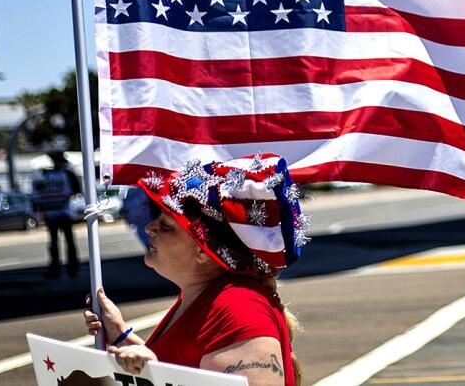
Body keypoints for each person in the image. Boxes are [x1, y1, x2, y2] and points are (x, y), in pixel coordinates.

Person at [83, 155, 309, 385]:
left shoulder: (240, 309)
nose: (150, 228)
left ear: (205, 251)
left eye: (166, 226)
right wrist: (120, 335)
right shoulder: (208, 297)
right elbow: (184, 365)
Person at [32, 149, 82, 278]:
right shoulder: (48, 174)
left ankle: (72, 267)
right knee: (54, 242)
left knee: (68, 241)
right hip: (52, 212)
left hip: (63, 212)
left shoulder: (66, 174)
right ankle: (57, 268)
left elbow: (76, 190)